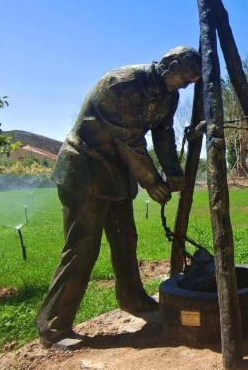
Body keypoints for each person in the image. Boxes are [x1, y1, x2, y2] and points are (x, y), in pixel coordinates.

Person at [35, 46, 201, 346]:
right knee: (82, 247)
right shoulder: (121, 83)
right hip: (85, 170)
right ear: (171, 65)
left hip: (117, 174)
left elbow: (163, 134)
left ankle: (132, 298)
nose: (186, 86)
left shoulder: (169, 96)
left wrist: (173, 170)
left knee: (125, 238)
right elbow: (130, 140)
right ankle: (54, 325)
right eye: (186, 78)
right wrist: (152, 181)